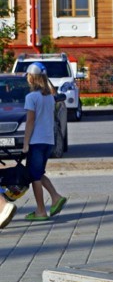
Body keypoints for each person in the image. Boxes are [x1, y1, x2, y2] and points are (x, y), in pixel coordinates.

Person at [23, 62, 67, 221]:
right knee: (38, 172)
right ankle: (55, 197)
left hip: (36, 141)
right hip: (49, 141)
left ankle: (40, 210)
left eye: (28, 75)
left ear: (32, 78)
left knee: (34, 176)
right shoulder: (49, 97)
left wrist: (25, 143)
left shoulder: (31, 97)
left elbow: (30, 121)